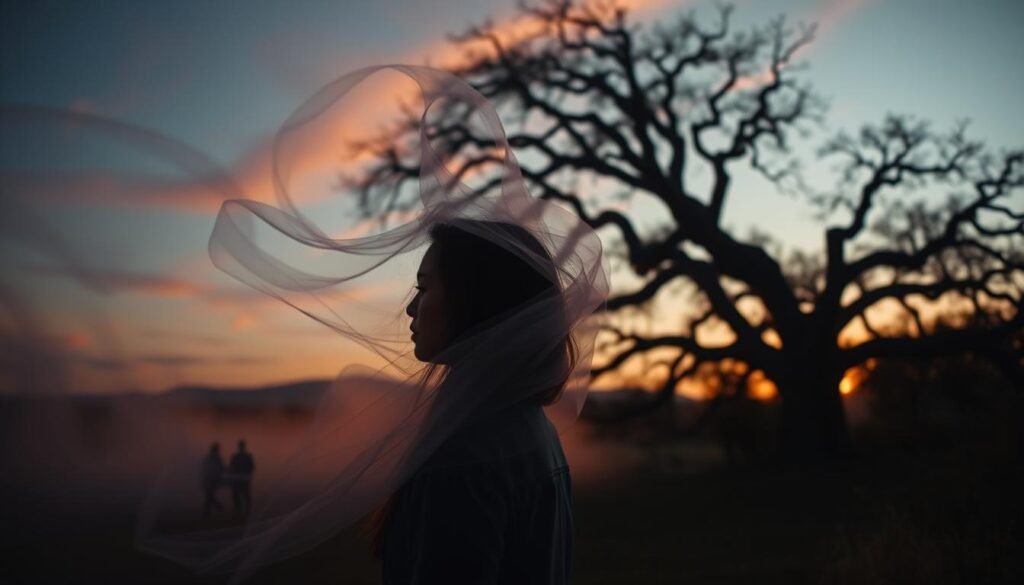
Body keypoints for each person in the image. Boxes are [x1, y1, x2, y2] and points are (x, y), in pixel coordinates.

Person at [368, 220, 577, 584]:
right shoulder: (536, 428)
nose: (411, 309)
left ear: (474, 300)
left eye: (425, 287)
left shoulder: (462, 454)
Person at [229, 440, 255, 516]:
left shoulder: (237, 456)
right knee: (241, 495)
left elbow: (232, 467)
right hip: (242, 478)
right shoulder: (246, 456)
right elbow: (251, 467)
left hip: (240, 478)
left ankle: (242, 510)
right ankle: (243, 510)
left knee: (241, 495)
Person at [201, 442, 225, 518]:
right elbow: (221, 468)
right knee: (209, 495)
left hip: (211, 479)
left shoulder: (212, 458)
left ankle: (209, 510)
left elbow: (205, 467)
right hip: (212, 479)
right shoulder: (216, 458)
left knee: (209, 496)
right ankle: (217, 507)